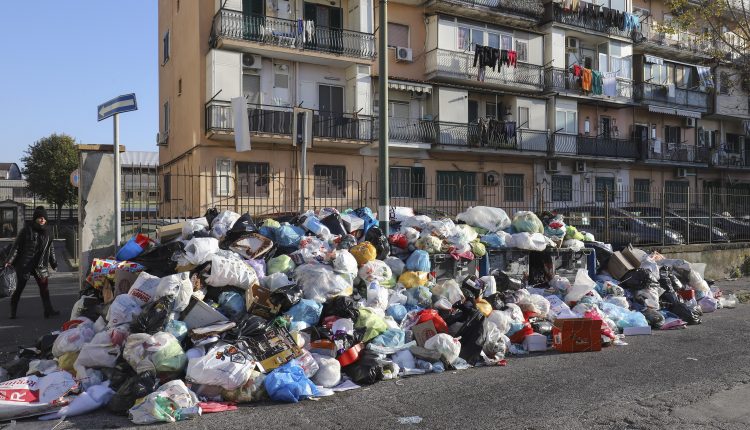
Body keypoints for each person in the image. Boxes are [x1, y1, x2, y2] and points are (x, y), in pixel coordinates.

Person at [4, 206, 59, 319]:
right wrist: (9, 261)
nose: (42, 219)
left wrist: (54, 263)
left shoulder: (49, 232)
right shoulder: (26, 230)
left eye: (44, 217)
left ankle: (48, 310)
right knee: (18, 289)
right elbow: (16, 247)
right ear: (35, 219)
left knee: (44, 290)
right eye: (39, 217)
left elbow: (51, 248)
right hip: (25, 265)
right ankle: (13, 311)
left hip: (40, 265)